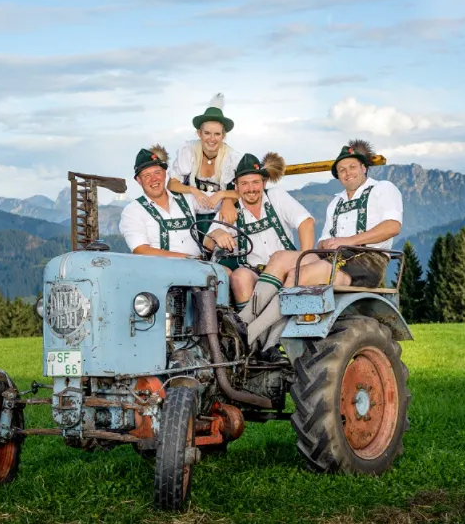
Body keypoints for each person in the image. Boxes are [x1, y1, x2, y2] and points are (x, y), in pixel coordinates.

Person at [240, 139, 403, 356]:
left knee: (297, 276)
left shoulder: (382, 189)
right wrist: (326, 243)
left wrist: (350, 240)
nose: (347, 173)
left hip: (367, 260)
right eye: (342, 170)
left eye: (352, 167)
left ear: (364, 168)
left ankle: (255, 338)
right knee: (280, 258)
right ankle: (243, 321)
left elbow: (392, 226)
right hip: (336, 256)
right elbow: (324, 240)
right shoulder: (336, 202)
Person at [204, 152, 314, 362]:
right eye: (244, 183)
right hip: (256, 272)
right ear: (236, 187)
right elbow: (207, 243)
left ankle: (247, 334)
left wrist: (303, 259)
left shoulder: (276, 197)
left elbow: (306, 222)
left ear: (264, 183)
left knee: (280, 261)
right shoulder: (231, 210)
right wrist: (217, 233)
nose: (251, 188)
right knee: (239, 276)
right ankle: (254, 347)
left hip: (286, 268)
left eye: (255, 182)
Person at [167, 93, 242, 234]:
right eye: (207, 133)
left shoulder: (232, 158)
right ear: (199, 133)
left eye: (217, 134)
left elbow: (246, 190)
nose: (212, 139)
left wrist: (224, 197)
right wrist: (194, 191)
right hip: (192, 209)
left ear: (223, 135)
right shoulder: (188, 151)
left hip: (222, 212)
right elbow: (172, 184)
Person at [119, 145, 202, 259]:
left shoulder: (188, 199)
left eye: (157, 172)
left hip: (199, 266)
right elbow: (141, 250)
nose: (154, 179)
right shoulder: (133, 211)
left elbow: (215, 203)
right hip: (161, 269)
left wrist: (225, 199)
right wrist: (188, 258)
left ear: (165, 173)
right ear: (139, 180)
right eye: (147, 175)